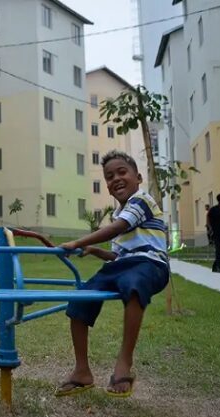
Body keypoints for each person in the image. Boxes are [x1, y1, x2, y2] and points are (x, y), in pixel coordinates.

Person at [55, 150, 169, 398]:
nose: (116, 178)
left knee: (134, 284)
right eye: (109, 176)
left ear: (138, 178)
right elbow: (119, 257)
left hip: (151, 265)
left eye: (122, 172)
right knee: (81, 298)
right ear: (107, 187)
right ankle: (82, 371)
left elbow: (117, 228)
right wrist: (96, 250)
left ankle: (124, 364)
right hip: (124, 265)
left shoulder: (142, 200)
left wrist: (77, 242)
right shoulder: (119, 213)